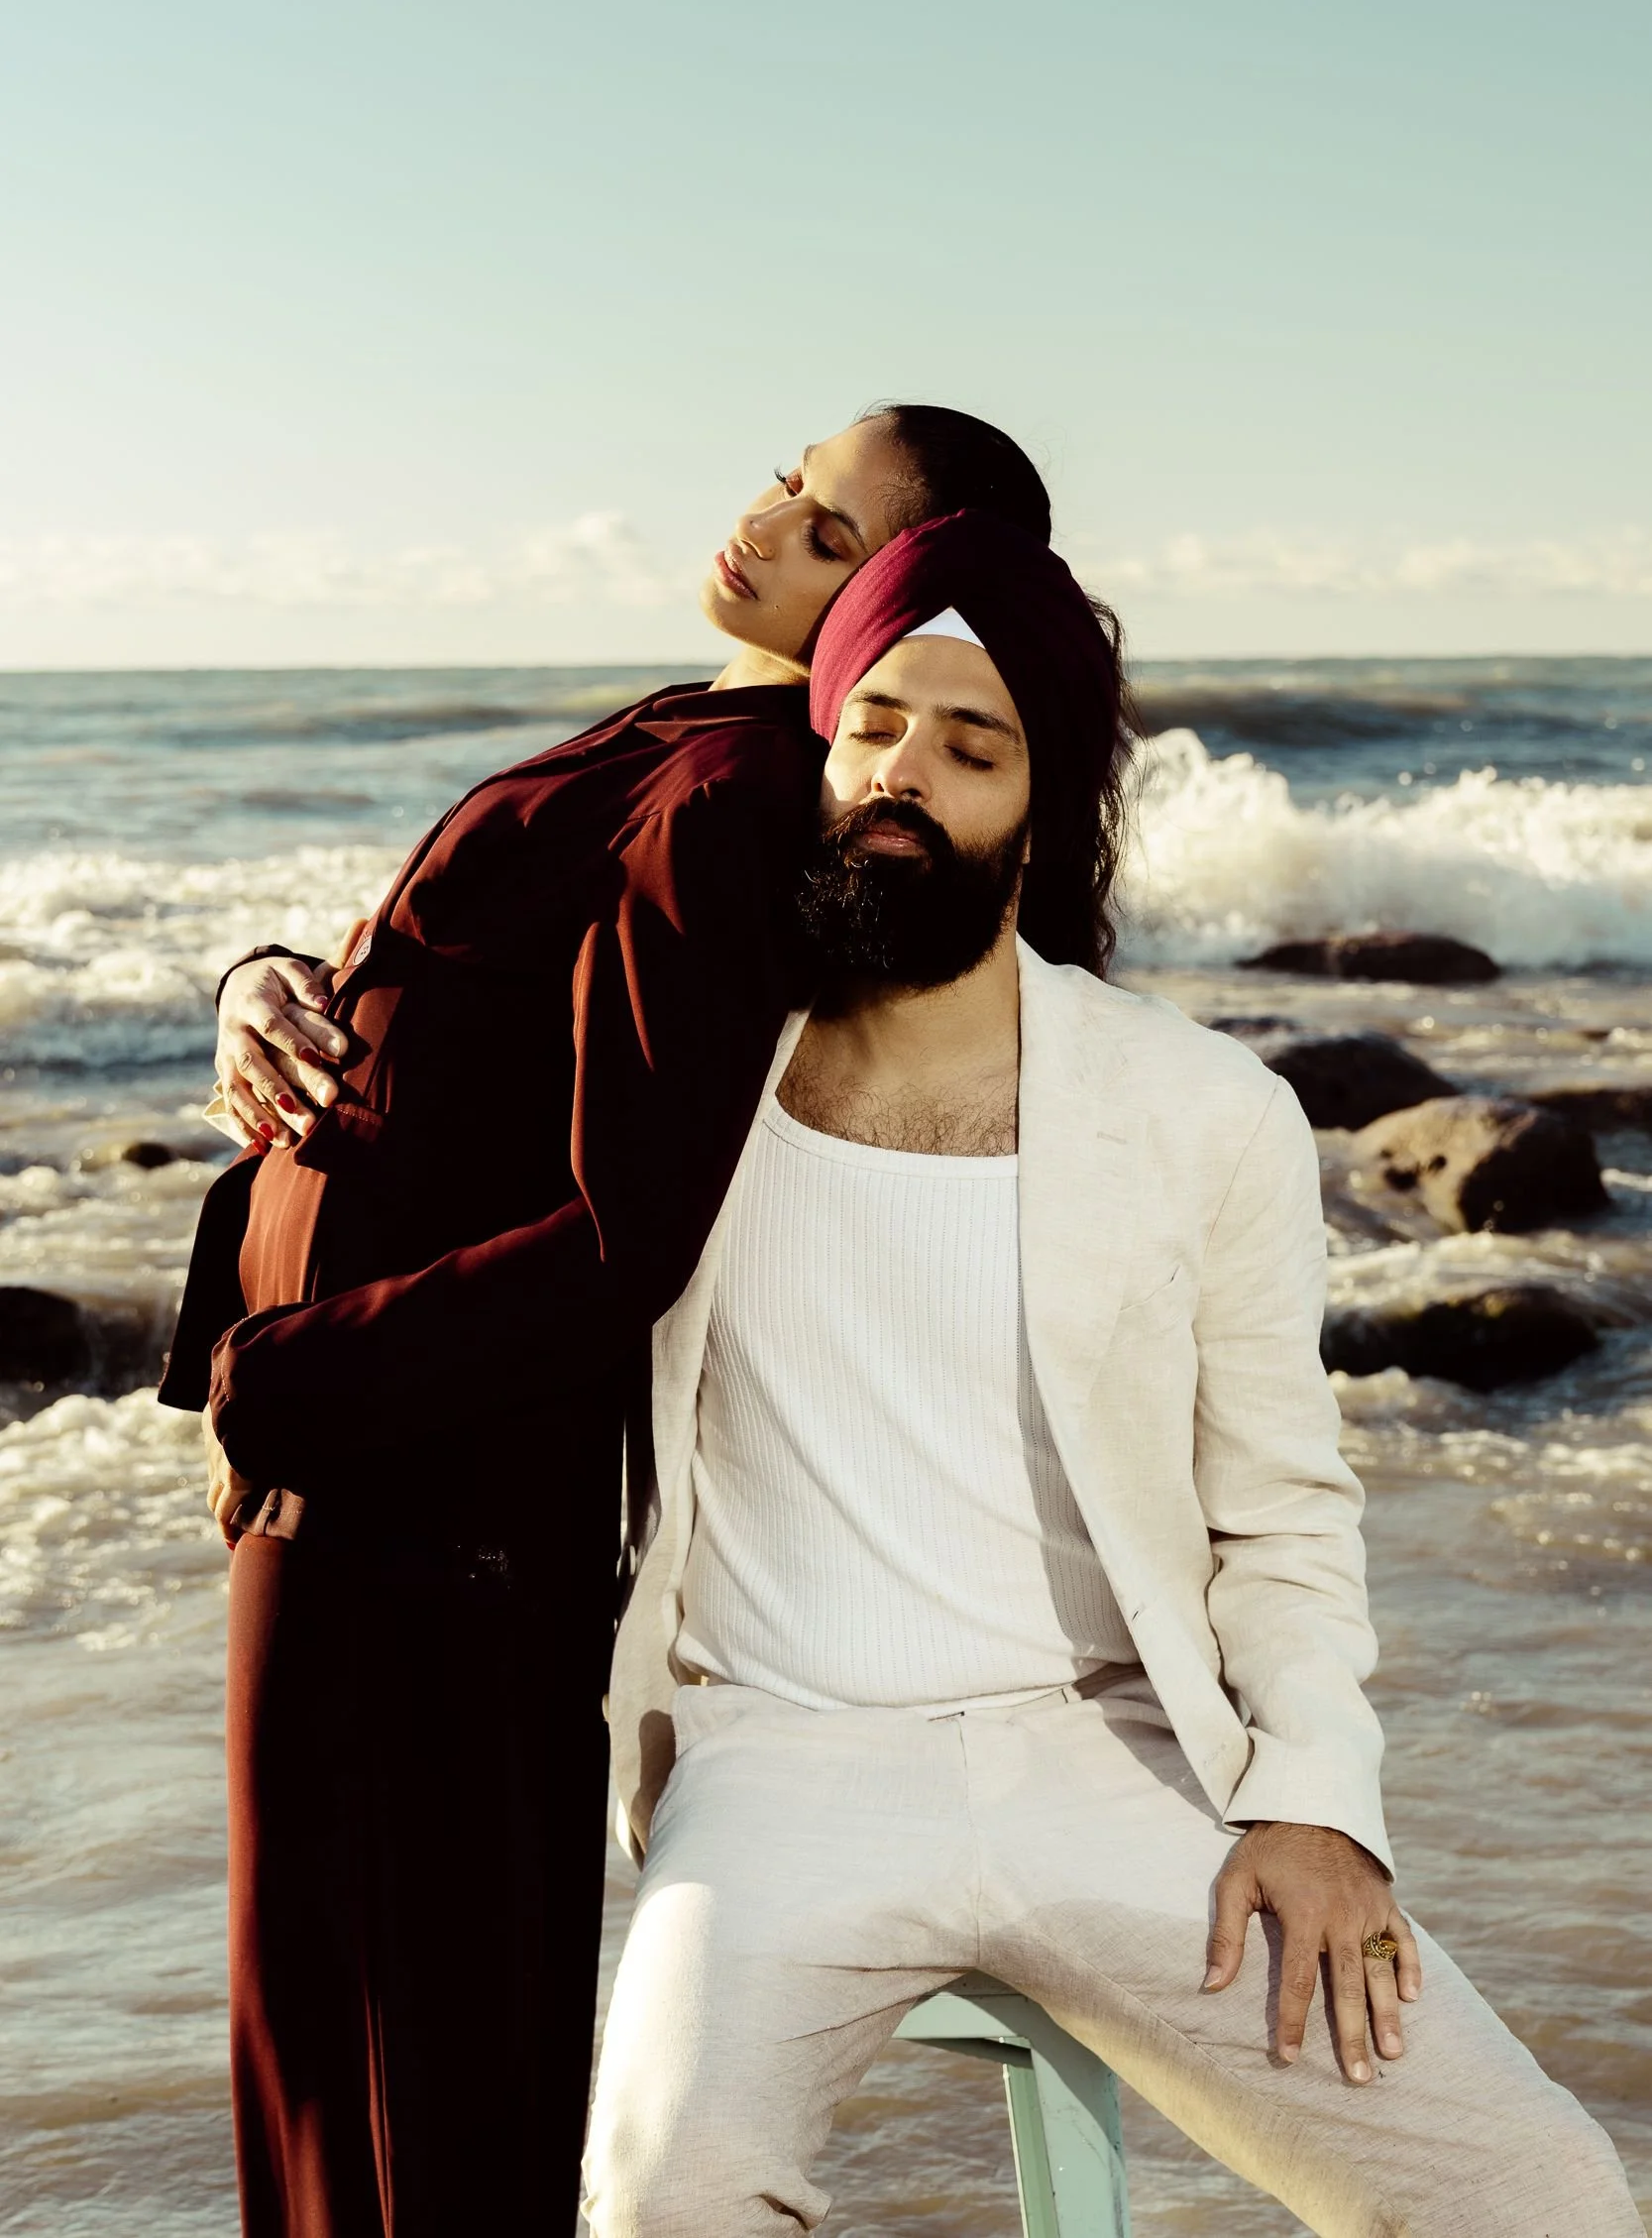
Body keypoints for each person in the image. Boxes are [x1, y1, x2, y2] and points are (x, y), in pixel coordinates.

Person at [584, 510, 1641, 2238]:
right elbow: (418, 994)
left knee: (1540, 2192)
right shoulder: (682, 1065)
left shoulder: (1198, 1107)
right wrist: (264, 989)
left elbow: (1280, 1509)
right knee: (661, 2194)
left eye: (970, 746)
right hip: (776, 1762)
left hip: (1119, 1760)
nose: (903, 773)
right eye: (872, 726)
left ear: (1045, 806)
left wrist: (1317, 1807)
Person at [160, 407, 1054, 2238]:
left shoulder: (731, 795)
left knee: (404, 2092)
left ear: (895, 605)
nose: (763, 525)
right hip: (364, 1478)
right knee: (327, 2057)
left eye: (828, 534)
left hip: (424, 1511)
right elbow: (442, 1013)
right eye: (787, 483)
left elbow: (624, 1231)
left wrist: (283, 1385)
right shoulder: (671, 737)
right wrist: (264, 977)